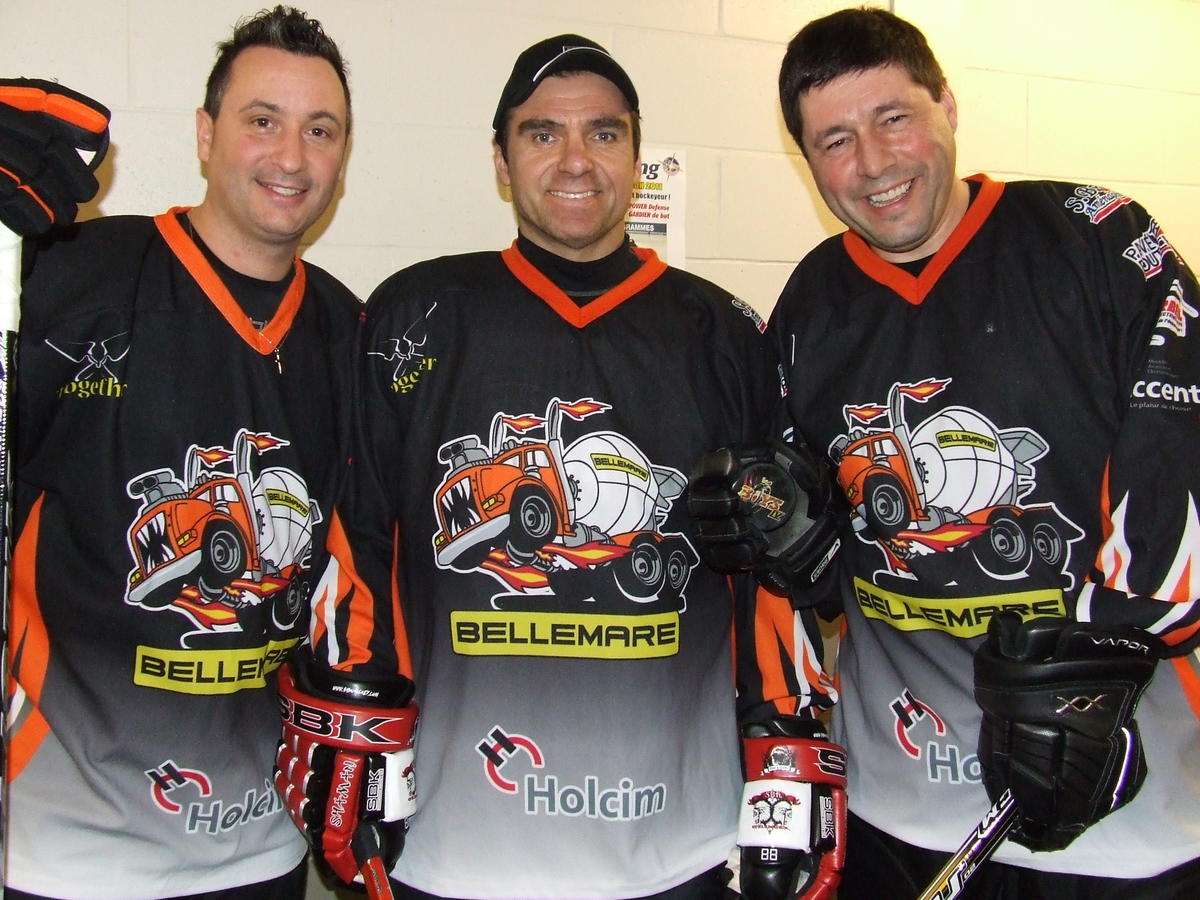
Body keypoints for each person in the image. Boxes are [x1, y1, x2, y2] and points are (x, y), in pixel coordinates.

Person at [273, 33, 843, 900]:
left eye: (603, 134)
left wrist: (787, 745)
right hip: (458, 848)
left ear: (636, 156)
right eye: (543, 134)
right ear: (501, 161)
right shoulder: (416, 314)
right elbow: (362, 541)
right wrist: (353, 708)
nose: (576, 160)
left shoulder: (724, 333)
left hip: (677, 846)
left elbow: (770, 578)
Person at [768, 7, 1200, 898]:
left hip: (1123, 820)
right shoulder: (810, 304)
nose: (873, 163)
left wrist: (1102, 661)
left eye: (894, 118)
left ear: (949, 106)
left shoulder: (1096, 241)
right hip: (900, 813)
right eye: (835, 141)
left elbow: (1178, 442)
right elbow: (809, 533)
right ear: (807, 161)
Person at [3, 6, 358, 898]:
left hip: (264, 851)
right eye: (262, 120)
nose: (291, 156)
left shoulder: (349, 331)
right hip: (68, 853)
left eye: (320, 130)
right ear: (206, 135)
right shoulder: (69, 274)